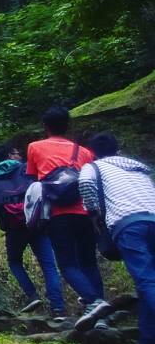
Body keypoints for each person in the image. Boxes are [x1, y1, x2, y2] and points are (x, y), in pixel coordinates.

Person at [27, 105, 110, 330]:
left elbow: (34, 181)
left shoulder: (34, 147)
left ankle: (94, 302)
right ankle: (102, 319)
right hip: (85, 212)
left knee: (67, 263)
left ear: (45, 127)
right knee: (89, 262)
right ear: (68, 125)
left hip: (57, 214)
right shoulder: (84, 152)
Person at [79, 132, 155, 344]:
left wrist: (94, 213)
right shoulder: (139, 168)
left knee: (147, 280)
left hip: (128, 224)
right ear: (117, 149)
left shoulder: (93, 167)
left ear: (93, 152)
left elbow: (84, 184)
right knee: (146, 284)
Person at [0, 144, 65, 315]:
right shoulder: (28, 171)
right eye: (17, 152)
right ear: (10, 155)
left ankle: (32, 295)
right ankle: (58, 308)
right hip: (37, 225)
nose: (20, 155)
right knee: (49, 266)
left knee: (15, 263)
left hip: (14, 229)